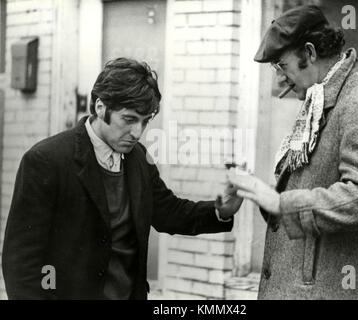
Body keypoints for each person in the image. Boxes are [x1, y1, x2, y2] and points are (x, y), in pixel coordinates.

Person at [2, 58, 243, 300]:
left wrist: (220, 211)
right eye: (129, 119)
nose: (137, 133)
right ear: (100, 107)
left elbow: (168, 212)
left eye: (145, 121)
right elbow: (21, 263)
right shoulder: (46, 161)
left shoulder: (137, 157)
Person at [228, 5, 358, 299]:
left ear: (309, 53)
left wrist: (281, 202)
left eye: (282, 66)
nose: (280, 80)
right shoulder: (321, 98)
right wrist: (263, 195)